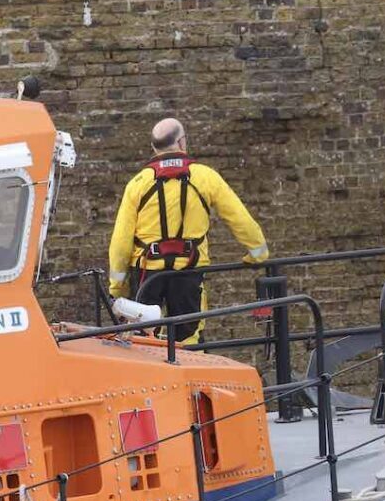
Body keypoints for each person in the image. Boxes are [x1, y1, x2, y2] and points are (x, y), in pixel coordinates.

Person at [109, 117, 270, 345]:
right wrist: (257, 254)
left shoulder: (137, 183)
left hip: (146, 272)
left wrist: (118, 286)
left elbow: (120, 241)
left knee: (142, 339)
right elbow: (240, 219)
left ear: (154, 148)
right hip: (189, 271)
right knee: (189, 339)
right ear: (182, 142)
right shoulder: (205, 177)